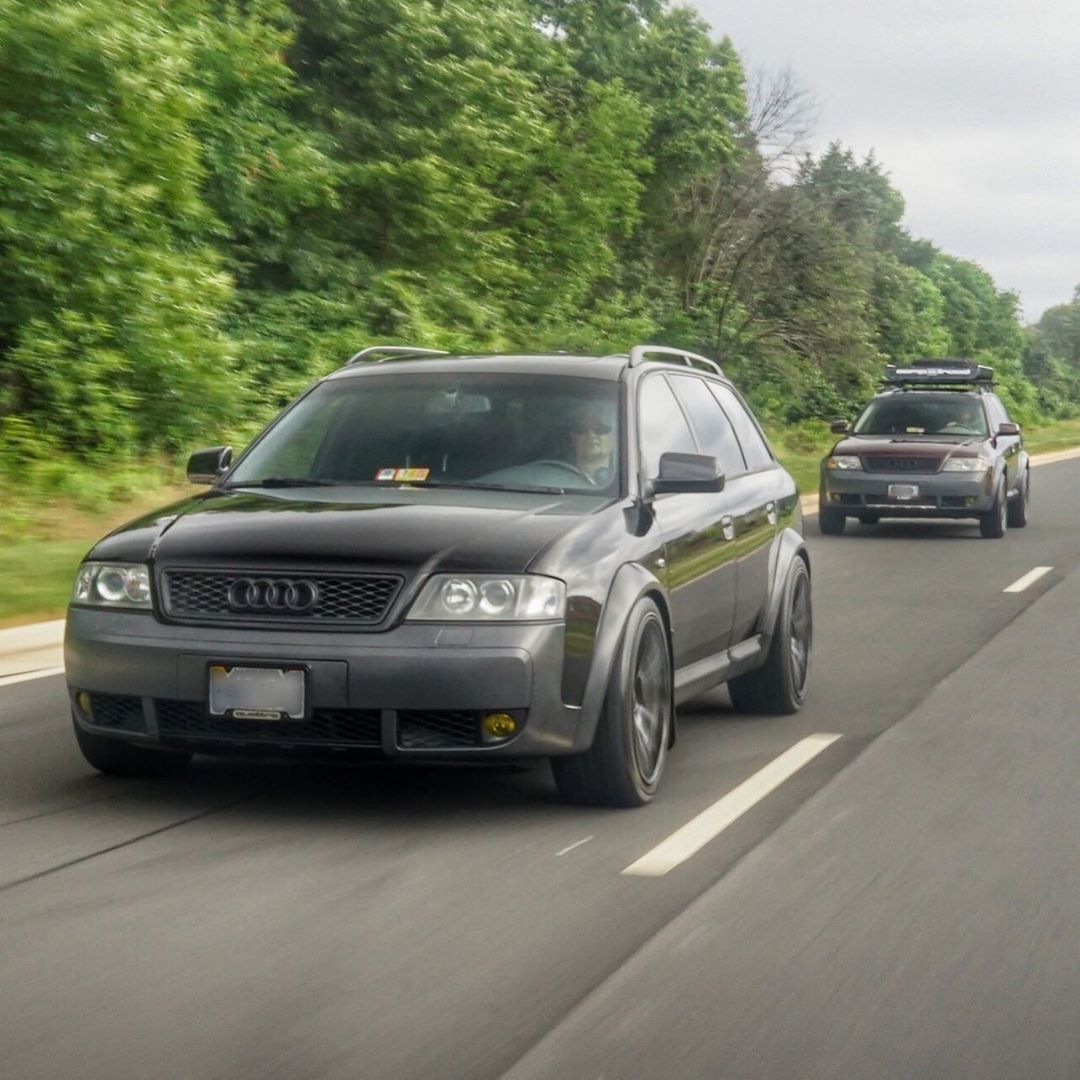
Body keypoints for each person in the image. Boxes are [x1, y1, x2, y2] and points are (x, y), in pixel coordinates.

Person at [566, 401, 616, 486]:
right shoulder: (558, 478)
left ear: (615, 438)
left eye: (600, 428)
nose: (591, 435)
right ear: (573, 439)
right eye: (581, 429)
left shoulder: (626, 482)